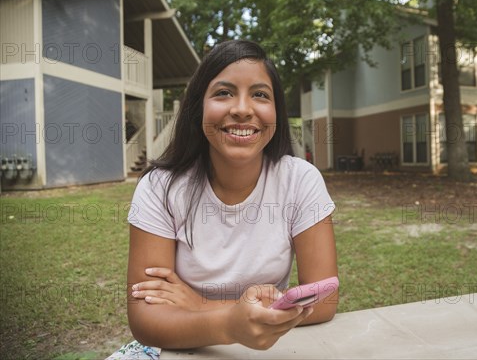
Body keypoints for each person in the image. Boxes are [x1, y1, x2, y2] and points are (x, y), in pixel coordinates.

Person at [108, 40, 337, 359]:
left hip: (267, 348)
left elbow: (324, 299)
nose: (242, 109)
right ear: (198, 107)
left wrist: (201, 306)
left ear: (276, 111)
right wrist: (229, 323)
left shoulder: (300, 180)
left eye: (259, 94)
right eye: (223, 92)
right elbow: (146, 319)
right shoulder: (159, 187)